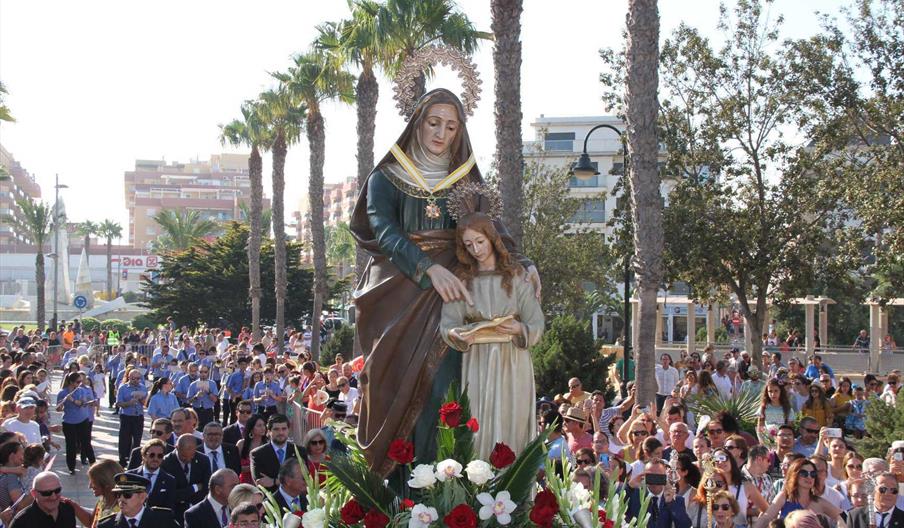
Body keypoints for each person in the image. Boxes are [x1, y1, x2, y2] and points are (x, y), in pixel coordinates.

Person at [350, 88, 540, 474]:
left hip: (455, 291)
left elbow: (488, 225)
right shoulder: (385, 177)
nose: (441, 134)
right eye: (434, 123)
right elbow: (383, 229)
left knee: (446, 386)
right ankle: (401, 487)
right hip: (401, 288)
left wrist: (522, 261)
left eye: (451, 127)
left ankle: (446, 484)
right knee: (394, 384)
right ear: (417, 123)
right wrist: (427, 269)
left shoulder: (463, 178)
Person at [437, 209, 544, 459]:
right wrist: (458, 334)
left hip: (512, 359)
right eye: (469, 244)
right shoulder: (462, 280)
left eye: (480, 241)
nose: (476, 249)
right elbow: (448, 323)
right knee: (479, 419)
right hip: (478, 359)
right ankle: (479, 479)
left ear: (492, 238)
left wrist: (520, 329)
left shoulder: (517, 276)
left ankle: (513, 487)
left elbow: (536, 322)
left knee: (511, 418)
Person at [754, 458, 841, 528]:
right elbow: (766, 518)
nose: (809, 477)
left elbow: (843, 517)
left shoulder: (819, 502)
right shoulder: (784, 496)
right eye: (804, 473)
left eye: (813, 474)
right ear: (794, 475)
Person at [625, 459, 692, 528]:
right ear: (644, 476)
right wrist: (629, 487)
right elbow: (616, 507)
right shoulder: (633, 496)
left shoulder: (676, 499)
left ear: (665, 477)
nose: (655, 479)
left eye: (658, 475)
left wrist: (671, 503)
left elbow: (685, 525)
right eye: (651, 475)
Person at [96, 473, 179, 528]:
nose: (121, 499)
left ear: (142, 497)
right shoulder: (106, 525)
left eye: (127, 495)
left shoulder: (163, 520)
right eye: (118, 495)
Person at [160, 434, 212, 521]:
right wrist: (194, 488)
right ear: (176, 447)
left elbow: (206, 488)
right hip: (175, 514)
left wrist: (184, 493)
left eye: (192, 455)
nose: (188, 459)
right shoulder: (165, 463)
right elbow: (170, 495)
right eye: (184, 456)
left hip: (197, 510)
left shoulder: (203, 460)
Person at [249, 414, 306, 492]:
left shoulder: (300, 451)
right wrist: (292, 481)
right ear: (269, 431)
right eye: (276, 429)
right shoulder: (257, 454)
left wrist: (274, 481)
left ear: (288, 430)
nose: (280, 432)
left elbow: (304, 480)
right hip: (270, 500)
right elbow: (261, 482)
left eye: (284, 429)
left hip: (295, 499)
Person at [57, 371, 97, 473]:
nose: (79, 383)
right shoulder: (62, 392)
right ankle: (71, 467)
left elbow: (82, 404)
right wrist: (62, 404)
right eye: (77, 382)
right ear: (71, 382)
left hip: (82, 420)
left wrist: (73, 400)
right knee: (71, 445)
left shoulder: (81, 391)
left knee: (86, 443)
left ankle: (94, 464)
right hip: (68, 421)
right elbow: (58, 408)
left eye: (80, 381)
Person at [8, 472, 76, 528]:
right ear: (34, 494)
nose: (53, 497)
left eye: (57, 490)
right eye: (46, 493)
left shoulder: (68, 510)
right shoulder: (21, 522)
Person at [127, 440, 176, 512]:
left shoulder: (169, 481)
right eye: (152, 455)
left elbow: (169, 510)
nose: (155, 459)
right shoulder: (130, 476)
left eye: (160, 456)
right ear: (143, 456)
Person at [115, 369, 147, 468]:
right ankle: (122, 460)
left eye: (138, 378)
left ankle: (134, 462)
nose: (136, 381)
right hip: (126, 417)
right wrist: (129, 403)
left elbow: (145, 403)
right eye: (133, 378)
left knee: (137, 440)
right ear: (129, 377)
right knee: (125, 439)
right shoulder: (123, 388)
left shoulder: (142, 387)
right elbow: (118, 403)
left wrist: (142, 399)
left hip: (138, 416)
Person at [236, 415, 266, 485]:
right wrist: (251, 468)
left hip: (262, 484)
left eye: (264, 425)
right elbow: (234, 466)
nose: (263, 428)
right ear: (251, 429)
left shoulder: (267, 444)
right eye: (259, 426)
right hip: (244, 484)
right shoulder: (241, 444)